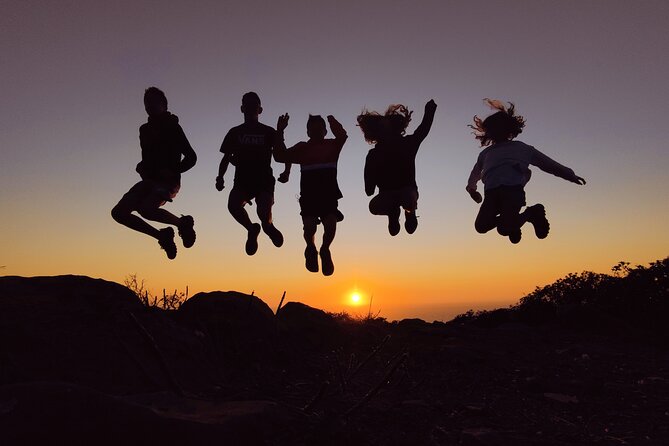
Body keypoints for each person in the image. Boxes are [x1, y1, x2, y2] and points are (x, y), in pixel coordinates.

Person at [466, 99, 586, 243]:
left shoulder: (522, 148)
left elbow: (547, 163)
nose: (495, 132)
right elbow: (476, 172)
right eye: (492, 130)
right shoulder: (486, 153)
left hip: (512, 191)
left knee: (504, 228)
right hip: (491, 194)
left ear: (508, 129)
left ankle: (531, 213)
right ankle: (514, 223)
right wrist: (472, 189)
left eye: (499, 128)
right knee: (481, 226)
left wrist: (569, 175)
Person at [111, 87, 197, 259]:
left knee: (146, 210)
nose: (149, 106)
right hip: (149, 181)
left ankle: (182, 224)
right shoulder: (144, 130)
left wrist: (172, 171)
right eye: (146, 103)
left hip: (168, 182)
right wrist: (142, 167)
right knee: (118, 213)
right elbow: (149, 157)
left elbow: (191, 157)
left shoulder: (173, 127)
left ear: (164, 105)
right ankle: (162, 236)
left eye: (153, 102)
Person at [216, 92, 290, 255]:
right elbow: (226, 157)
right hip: (242, 181)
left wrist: (286, 171)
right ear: (242, 108)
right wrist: (220, 177)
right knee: (233, 205)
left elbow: (283, 152)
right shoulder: (234, 132)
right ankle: (251, 229)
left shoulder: (268, 132)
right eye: (247, 105)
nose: (250, 109)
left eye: (254, 106)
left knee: (263, 212)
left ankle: (268, 227)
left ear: (260, 109)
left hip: (264, 180)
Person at [273, 113, 347, 276]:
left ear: (325, 131)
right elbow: (281, 156)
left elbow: (342, 136)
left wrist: (332, 120)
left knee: (330, 224)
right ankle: (310, 248)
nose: (315, 131)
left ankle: (325, 249)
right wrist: (280, 132)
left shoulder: (332, 146)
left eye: (319, 128)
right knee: (309, 227)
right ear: (307, 132)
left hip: (329, 195)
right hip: (309, 196)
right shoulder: (302, 148)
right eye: (311, 129)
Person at [357, 99, 437, 236]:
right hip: (387, 195)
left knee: (407, 197)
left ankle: (410, 212)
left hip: (408, 190)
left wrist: (429, 112)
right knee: (373, 206)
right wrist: (370, 184)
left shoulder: (407, 144)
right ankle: (393, 213)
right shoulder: (374, 154)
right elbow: (369, 187)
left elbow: (422, 131)